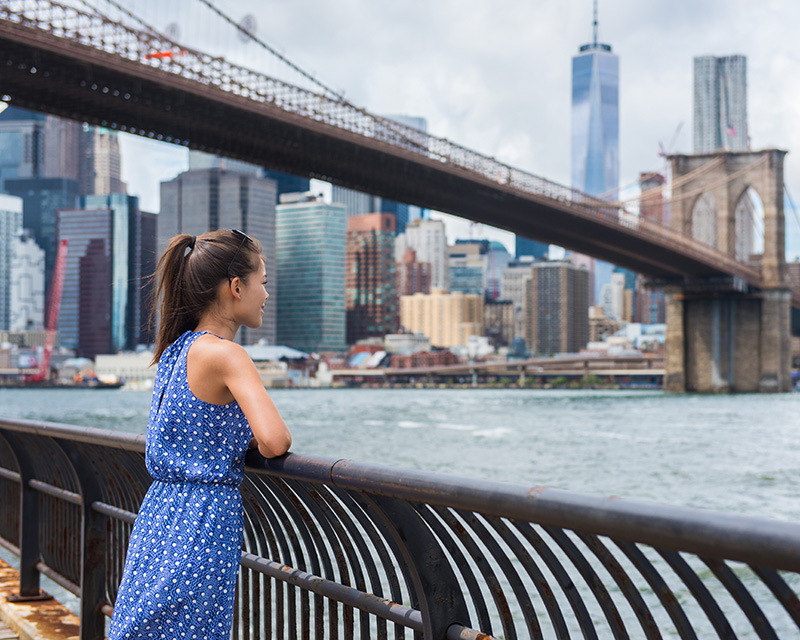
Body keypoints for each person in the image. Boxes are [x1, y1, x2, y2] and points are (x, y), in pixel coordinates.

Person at [108, 229, 292, 640]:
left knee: (148, 624)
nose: (266, 295)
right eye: (263, 283)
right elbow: (275, 441)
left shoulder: (175, 349)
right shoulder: (227, 355)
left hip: (159, 513)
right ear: (236, 287)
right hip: (202, 520)